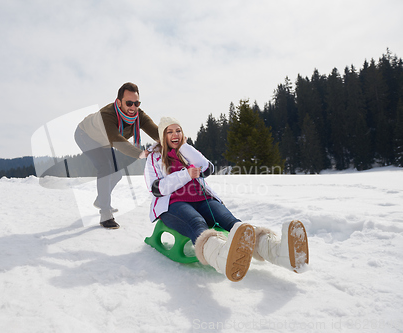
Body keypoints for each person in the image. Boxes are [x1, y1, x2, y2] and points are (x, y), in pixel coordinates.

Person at [144, 117, 309, 282]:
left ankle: (278, 252)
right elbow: (157, 188)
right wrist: (185, 175)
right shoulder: (154, 158)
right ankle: (220, 257)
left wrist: (185, 148)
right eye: (170, 132)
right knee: (197, 222)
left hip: (203, 198)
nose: (175, 135)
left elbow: (208, 168)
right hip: (173, 203)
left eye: (178, 131)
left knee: (233, 223)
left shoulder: (186, 152)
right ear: (162, 136)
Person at [75, 82, 159, 229]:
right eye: (129, 103)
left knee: (117, 175)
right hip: (86, 135)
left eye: (136, 103)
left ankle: (101, 199)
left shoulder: (138, 115)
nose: (133, 107)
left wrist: (175, 141)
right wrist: (139, 153)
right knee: (106, 169)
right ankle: (105, 214)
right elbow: (117, 141)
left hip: (105, 141)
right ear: (119, 102)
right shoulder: (107, 115)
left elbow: (156, 132)